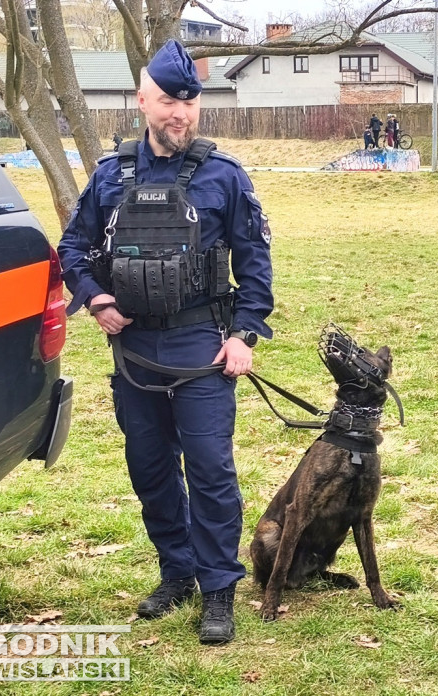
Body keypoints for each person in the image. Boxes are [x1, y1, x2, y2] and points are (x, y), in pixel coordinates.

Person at [57, 39, 273, 645]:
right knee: (149, 468)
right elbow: (71, 248)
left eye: (190, 101)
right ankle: (176, 570)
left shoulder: (224, 176)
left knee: (209, 470)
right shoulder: (110, 176)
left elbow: (256, 263)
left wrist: (245, 334)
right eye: (168, 102)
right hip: (135, 353)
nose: (180, 112)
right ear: (142, 101)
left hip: (203, 346)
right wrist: (96, 299)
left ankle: (218, 587)